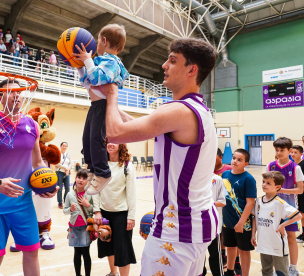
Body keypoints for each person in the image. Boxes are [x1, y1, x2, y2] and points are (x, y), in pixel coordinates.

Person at [93, 37, 218, 276]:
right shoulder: (198, 110)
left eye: (172, 61)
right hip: (197, 223)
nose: (164, 65)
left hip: (176, 229)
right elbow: (135, 126)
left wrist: (111, 93)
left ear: (192, 70)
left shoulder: (177, 110)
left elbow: (116, 133)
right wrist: (105, 97)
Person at [0, 79, 58, 276]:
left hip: (24, 203)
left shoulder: (33, 125)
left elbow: (37, 163)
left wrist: (46, 183)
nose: (16, 95)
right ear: (0, 97)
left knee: (33, 253)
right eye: (10, 92)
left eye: (18, 91)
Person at [74, 24, 129, 195]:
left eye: (98, 41)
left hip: (104, 106)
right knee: (87, 139)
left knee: (97, 140)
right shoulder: (100, 62)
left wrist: (87, 60)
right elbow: (87, 81)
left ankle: (103, 173)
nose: (96, 45)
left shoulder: (111, 62)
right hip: (95, 106)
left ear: (104, 41)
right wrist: (80, 66)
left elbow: (97, 78)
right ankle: (92, 169)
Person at [93, 139, 136, 276]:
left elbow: (132, 194)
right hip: (104, 214)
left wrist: (131, 217)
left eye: (114, 142)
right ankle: (113, 273)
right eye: (108, 142)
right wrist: (97, 211)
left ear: (121, 145)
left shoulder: (127, 166)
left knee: (122, 250)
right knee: (107, 245)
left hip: (121, 215)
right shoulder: (100, 165)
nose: (110, 144)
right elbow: (95, 189)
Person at [265, 137, 304, 276]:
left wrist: (281, 190)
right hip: (272, 208)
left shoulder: (295, 167)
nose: (279, 152)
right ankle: (279, 268)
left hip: (289, 208)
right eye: (277, 150)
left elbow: (300, 190)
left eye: (282, 150)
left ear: (289, 151)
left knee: (291, 238)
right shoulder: (270, 166)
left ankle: (293, 268)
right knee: (274, 237)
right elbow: (265, 185)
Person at [251, 171, 302, 276]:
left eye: (268, 183)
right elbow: (255, 217)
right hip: (263, 244)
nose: (264, 185)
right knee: (266, 271)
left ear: (277, 187)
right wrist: (253, 235)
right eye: (263, 182)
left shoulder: (280, 203)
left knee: (281, 272)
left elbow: (298, 215)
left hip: (277, 246)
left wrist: (282, 225)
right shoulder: (258, 201)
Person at [221, 149, 257, 276]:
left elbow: (250, 203)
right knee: (230, 246)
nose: (235, 161)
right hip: (227, 220)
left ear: (246, 163)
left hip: (243, 222)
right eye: (234, 158)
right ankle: (230, 271)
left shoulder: (248, 179)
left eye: (239, 160)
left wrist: (241, 222)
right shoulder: (224, 175)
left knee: (244, 250)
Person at [63, 169, 93, 276]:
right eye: (79, 177)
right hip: (74, 228)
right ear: (75, 179)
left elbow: (94, 210)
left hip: (86, 228)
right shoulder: (70, 194)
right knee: (77, 253)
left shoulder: (90, 194)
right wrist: (70, 209)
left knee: (86, 253)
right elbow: (64, 210)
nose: (81, 180)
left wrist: (87, 205)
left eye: (84, 178)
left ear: (87, 181)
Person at [203, 174, 226, 276]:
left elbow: (222, 201)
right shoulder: (193, 177)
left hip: (213, 225)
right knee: (198, 257)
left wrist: (204, 204)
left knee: (215, 256)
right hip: (196, 225)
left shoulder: (217, 179)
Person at [55, 142, 71, 209]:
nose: (64, 147)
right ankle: (60, 202)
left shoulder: (68, 154)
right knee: (60, 188)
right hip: (59, 172)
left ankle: (65, 201)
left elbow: (70, 163)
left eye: (65, 146)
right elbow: (56, 163)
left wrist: (68, 169)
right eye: (63, 146)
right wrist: (65, 168)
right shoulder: (57, 154)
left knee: (67, 188)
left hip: (66, 173)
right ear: (60, 146)